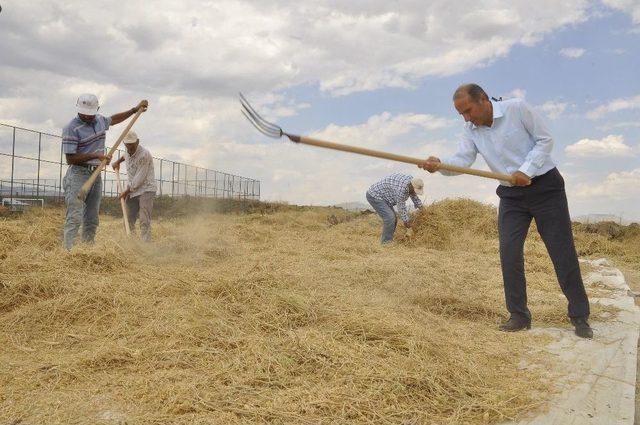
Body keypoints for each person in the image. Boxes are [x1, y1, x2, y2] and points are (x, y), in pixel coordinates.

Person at [420, 83, 592, 338]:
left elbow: (545, 140)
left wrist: (526, 170)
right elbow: (463, 161)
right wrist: (440, 165)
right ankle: (519, 315)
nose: (467, 118)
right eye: (461, 114)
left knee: (561, 251)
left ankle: (579, 316)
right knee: (509, 253)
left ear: (483, 100)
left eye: (468, 110)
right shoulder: (471, 130)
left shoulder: (517, 108)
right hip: (511, 196)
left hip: (546, 188)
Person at [62, 94, 148, 250]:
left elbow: (114, 119)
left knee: (92, 217)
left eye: (90, 114)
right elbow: (70, 158)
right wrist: (96, 155)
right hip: (78, 175)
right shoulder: (71, 128)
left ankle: (87, 250)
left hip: (96, 174)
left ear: (97, 110)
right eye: (84, 113)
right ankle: (69, 252)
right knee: (74, 216)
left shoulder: (100, 121)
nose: (87, 117)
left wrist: (134, 110)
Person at [112, 131, 156, 242]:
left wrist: (125, 192)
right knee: (128, 217)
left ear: (137, 142)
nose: (130, 148)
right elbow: (124, 156)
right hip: (132, 190)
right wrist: (117, 161)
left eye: (132, 145)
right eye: (127, 145)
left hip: (146, 189)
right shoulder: (128, 150)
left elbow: (138, 180)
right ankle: (132, 242)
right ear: (124, 143)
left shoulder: (144, 155)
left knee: (144, 219)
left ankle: (145, 245)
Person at [366, 173, 424, 244]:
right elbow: (401, 208)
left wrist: (422, 209)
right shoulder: (401, 190)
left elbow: (414, 196)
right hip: (375, 196)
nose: (414, 192)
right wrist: (406, 222)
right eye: (414, 190)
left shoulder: (412, 182)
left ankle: (389, 239)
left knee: (394, 219)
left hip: (386, 198)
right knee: (390, 218)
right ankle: (386, 243)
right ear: (411, 186)